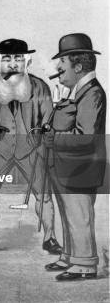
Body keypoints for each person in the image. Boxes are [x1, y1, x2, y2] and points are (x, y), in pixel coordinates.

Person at [0, 39, 62, 256]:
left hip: (31, 150)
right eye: (7, 59)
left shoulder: (40, 87)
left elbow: (49, 118)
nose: (13, 64)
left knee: (44, 196)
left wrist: (43, 131)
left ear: (26, 61)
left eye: (18, 58)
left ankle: (50, 238)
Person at [43, 33, 105, 281]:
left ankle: (85, 264)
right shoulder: (78, 90)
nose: (58, 69)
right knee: (68, 213)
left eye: (62, 64)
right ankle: (70, 256)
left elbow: (85, 136)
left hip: (82, 167)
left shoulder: (92, 93)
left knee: (79, 214)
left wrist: (53, 138)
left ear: (78, 66)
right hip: (68, 166)